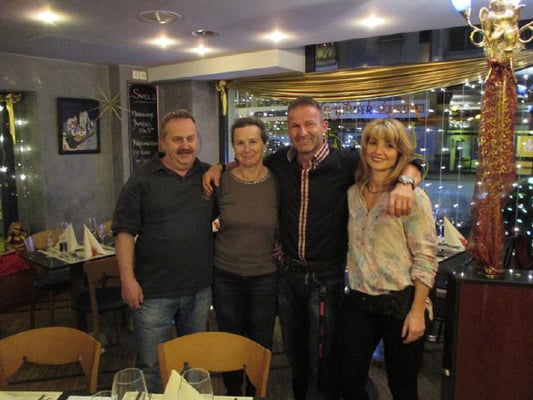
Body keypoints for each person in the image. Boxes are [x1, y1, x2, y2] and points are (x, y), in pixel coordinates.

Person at [204, 97, 422, 400]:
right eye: (295, 125)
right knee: (294, 352)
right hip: (287, 274)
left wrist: (407, 181)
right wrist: (219, 166)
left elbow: (403, 160)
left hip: (326, 277)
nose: (302, 131)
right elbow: (249, 161)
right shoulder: (280, 162)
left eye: (309, 124)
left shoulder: (347, 163)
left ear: (324, 126)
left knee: (323, 355)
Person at [112, 110, 214, 393]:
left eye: (191, 138)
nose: (185, 145)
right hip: (153, 292)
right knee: (151, 365)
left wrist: (222, 167)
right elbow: (124, 233)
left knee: (194, 362)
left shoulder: (208, 176)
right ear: (163, 142)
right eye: (177, 139)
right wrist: (127, 280)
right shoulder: (141, 180)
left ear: (198, 139)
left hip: (198, 289)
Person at [338, 118, 438, 400]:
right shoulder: (352, 194)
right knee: (348, 381)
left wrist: (417, 311)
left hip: (401, 303)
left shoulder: (414, 198)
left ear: (400, 152)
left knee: (402, 386)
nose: (379, 151)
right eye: (373, 142)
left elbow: (426, 257)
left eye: (389, 145)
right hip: (359, 300)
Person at [212, 116, 279, 396]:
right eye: (240, 143)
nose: (247, 149)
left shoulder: (278, 181)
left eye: (253, 141)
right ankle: (232, 392)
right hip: (225, 275)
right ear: (233, 147)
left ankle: (255, 391)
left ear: (264, 144)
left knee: (260, 341)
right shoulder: (220, 181)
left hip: (265, 276)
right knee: (230, 339)